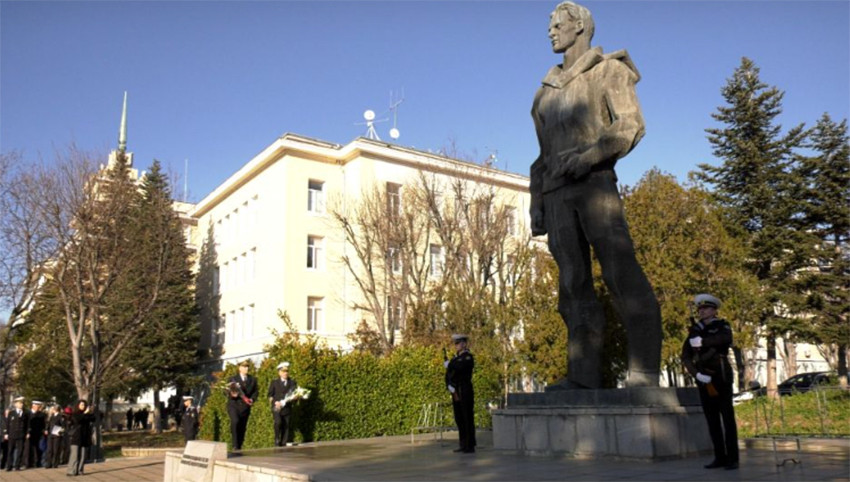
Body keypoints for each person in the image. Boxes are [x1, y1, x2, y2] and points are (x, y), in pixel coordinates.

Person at [528, 1, 661, 389]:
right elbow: (542, 156)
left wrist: (588, 158)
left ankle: (644, 373)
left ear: (581, 27)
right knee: (571, 285)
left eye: (558, 24)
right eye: (550, 26)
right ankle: (583, 377)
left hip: (594, 185)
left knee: (620, 272)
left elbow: (630, 126)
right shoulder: (544, 95)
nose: (551, 31)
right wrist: (535, 201)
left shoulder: (610, 71)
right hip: (555, 195)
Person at [681, 293, 739, 470]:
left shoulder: (722, 325)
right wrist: (696, 374)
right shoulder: (695, 330)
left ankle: (732, 458)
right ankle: (719, 457)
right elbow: (685, 356)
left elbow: (725, 340)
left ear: (714, 310)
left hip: (721, 376)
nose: (702, 311)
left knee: (727, 419)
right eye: (700, 309)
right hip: (704, 379)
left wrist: (703, 342)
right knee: (712, 420)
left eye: (705, 308)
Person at [445, 334, 475, 454]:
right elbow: (448, 374)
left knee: (467, 417)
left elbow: (461, 367)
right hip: (456, 390)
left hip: (465, 389)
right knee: (459, 418)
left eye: (458, 343)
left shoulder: (468, 357)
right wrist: (449, 386)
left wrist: (450, 365)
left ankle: (470, 445)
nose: (456, 346)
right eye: (455, 343)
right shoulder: (455, 359)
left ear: (464, 344)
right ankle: (463, 444)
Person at [227, 359, 258, 450]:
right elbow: (226, 391)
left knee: (242, 426)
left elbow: (255, 392)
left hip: (245, 407)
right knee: (235, 421)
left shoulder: (253, 379)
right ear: (239, 368)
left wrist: (252, 399)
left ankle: (239, 445)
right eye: (244, 367)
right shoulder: (233, 379)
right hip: (234, 405)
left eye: (247, 367)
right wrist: (232, 394)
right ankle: (235, 445)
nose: (246, 368)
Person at [267, 362, 299, 447]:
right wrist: (274, 402)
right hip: (277, 407)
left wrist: (295, 398)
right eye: (283, 371)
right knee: (278, 422)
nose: (285, 373)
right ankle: (277, 439)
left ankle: (284, 442)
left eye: (287, 371)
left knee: (286, 425)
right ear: (279, 372)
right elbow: (270, 395)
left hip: (287, 407)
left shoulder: (292, 382)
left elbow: (295, 394)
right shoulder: (274, 382)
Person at [66, 399, 95, 477]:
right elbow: (77, 420)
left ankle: (80, 470)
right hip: (76, 437)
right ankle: (71, 470)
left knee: (83, 456)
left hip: (85, 437)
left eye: (84, 405)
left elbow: (93, 419)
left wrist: (91, 411)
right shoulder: (75, 414)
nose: (83, 406)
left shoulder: (87, 414)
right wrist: (85, 413)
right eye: (81, 405)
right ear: (78, 405)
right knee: (74, 455)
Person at [4, 396, 29, 471]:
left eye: (22, 403)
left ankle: (17, 465)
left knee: (20, 450)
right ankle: (9, 466)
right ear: (16, 404)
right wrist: (6, 433)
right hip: (12, 434)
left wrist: (27, 432)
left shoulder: (25, 413)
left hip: (21, 434)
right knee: (10, 450)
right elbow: (7, 423)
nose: (21, 405)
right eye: (19, 403)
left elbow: (27, 424)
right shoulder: (11, 413)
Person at [24, 400, 46, 468]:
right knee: (28, 449)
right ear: (33, 406)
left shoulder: (41, 414)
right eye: (37, 406)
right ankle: (27, 463)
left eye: (39, 406)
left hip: (38, 434)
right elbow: (25, 424)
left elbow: (43, 424)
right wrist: (27, 432)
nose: (38, 408)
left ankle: (37, 463)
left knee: (38, 449)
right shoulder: (27, 414)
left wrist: (43, 430)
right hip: (30, 433)